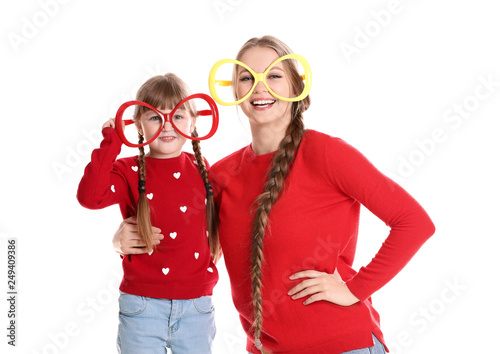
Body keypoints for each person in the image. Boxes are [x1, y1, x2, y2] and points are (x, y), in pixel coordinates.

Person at [114, 36, 435, 354]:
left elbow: (414, 222)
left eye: (274, 75)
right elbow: (180, 233)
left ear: (296, 87)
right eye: (246, 77)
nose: (259, 86)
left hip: (343, 345)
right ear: (235, 92)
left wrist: (355, 289)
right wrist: (122, 239)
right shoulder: (220, 176)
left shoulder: (326, 154)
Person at [77, 73, 220, 354]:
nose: (167, 124)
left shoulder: (203, 170)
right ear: (139, 125)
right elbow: (90, 198)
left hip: (197, 306)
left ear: (193, 121)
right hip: (142, 305)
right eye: (155, 117)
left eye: (178, 116)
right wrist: (112, 142)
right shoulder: (128, 170)